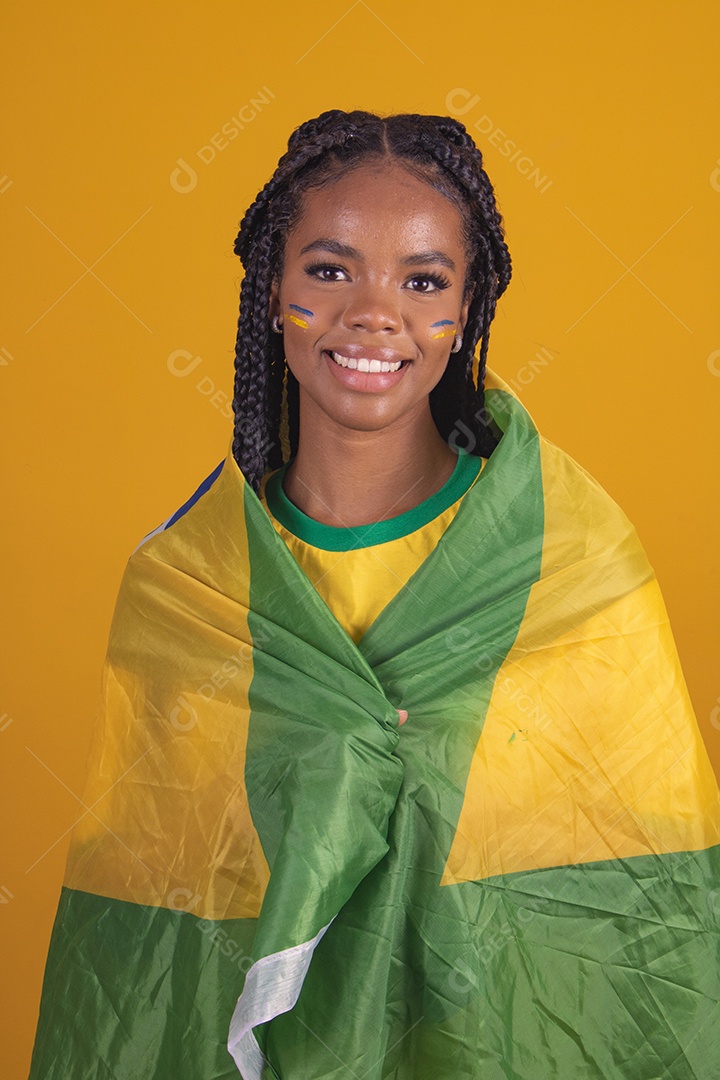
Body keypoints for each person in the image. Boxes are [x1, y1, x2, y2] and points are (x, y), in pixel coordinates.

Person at [29, 110, 720, 1079]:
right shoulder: (190, 588)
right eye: (329, 269)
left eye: (424, 280)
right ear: (272, 289)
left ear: (466, 309)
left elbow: (639, 923)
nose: (375, 313)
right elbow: (148, 949)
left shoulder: (568, 566)